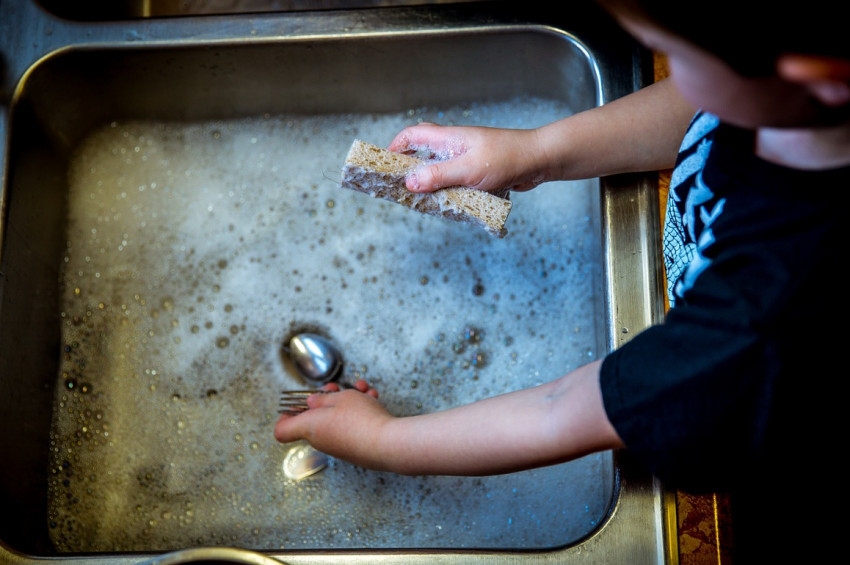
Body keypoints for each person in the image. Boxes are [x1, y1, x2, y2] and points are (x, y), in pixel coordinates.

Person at [275, 0, 850, 560]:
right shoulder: (788, 107)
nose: (669, 69)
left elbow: (564, 409)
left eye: (676, 54)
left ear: (817, 74)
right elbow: (698, 111)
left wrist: (384, 443)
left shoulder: (764, 323)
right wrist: (536, 152)